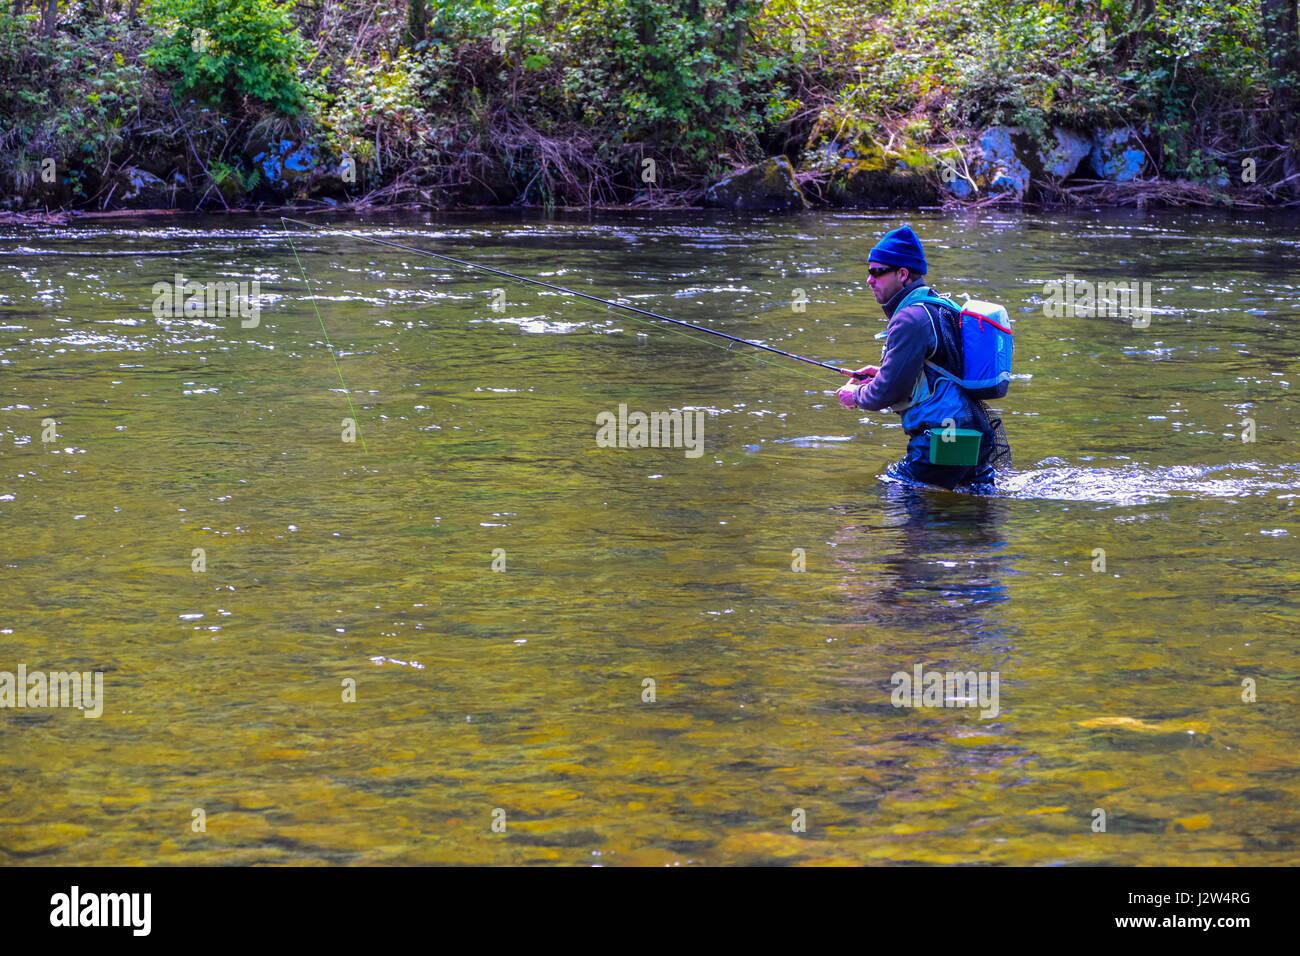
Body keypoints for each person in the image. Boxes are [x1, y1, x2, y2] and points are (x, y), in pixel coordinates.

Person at [835, 225, 1010, 493]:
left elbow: (889, 391)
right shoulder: (937, 305)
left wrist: (856, 395)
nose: (869, 280)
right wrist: (882, 372)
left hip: (943, 438)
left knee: (897, 499)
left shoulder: (909, 318)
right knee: (971, 518)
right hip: (972, 434)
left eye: (877, 272)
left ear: (902, 274)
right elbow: (937, 372)